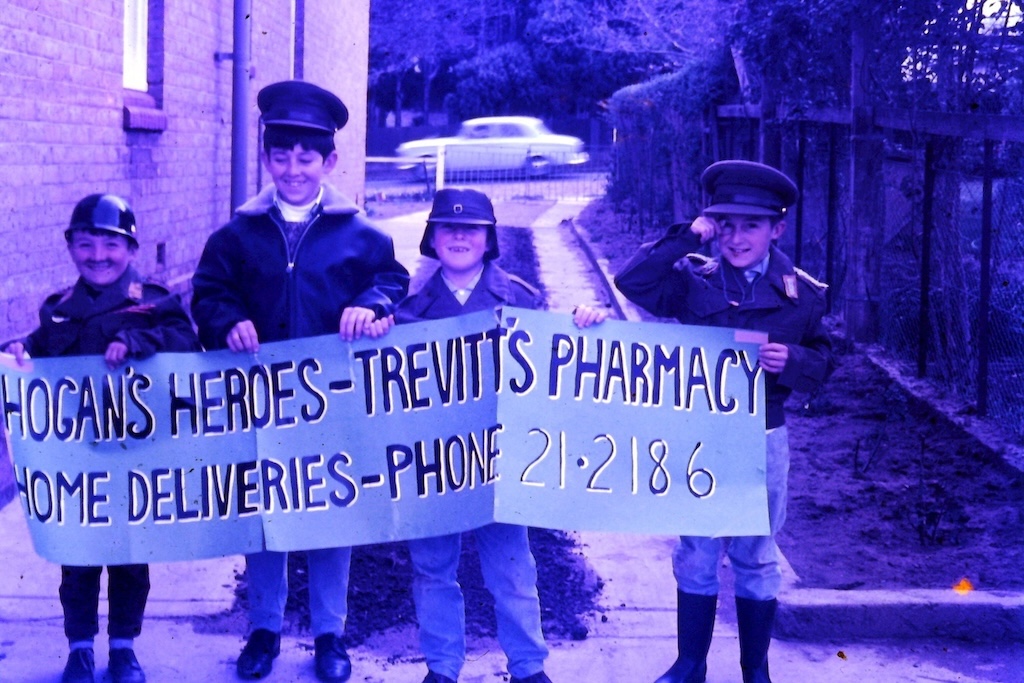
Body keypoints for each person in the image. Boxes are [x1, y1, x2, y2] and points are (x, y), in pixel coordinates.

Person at [190, 80, 409, 683]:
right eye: (280, 156)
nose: (292, 169)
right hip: (260, 400)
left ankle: (328, 634)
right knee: (266, 516)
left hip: (332, 401)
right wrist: (227, 319)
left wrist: (370, 302)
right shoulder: (236, 236)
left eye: (306, 157)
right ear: (266, 158)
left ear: (329, 162)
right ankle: (263, 628)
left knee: (330, 512)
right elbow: (209, 291)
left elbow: (393, 281)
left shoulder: (361, 234)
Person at [369, 188, 605, 683]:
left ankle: (528, 665)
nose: (459, 237)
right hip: (433, 463)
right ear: (431, 238)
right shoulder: (409, 313)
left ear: (489, 238)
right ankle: (442, 666)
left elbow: (555, 361)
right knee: (433, 568)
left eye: (471, 228)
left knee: (513, 568)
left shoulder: (520, 298)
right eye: (448, 228)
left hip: (501, 460)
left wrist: (586, 321)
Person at [614, 161, 834, 683]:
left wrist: (794, 363)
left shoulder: (802, 294)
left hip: (763, 435)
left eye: (751, 225)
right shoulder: (692, 279)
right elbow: (632, 280)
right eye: (726, 224)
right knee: (697, 548)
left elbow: (825, 360)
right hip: (703, 436)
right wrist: (689, 233)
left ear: (777, 228)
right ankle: (691, 664)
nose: (736, 238)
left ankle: (754, 669)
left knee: (758, 552)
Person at [2, 194, 202, 683]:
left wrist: (139, 341)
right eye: (85, 244)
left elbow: (185, 343)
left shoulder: (153, 302)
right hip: (77, 458)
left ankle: (124, 646)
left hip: (136, 456)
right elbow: (42, 350)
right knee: (77, 557)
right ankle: (80, 648)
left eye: (110, 244)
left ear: (131, 249)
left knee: (131, 555)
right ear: (70, 248)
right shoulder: (58, 311)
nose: (98, 255)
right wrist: (19, 350)